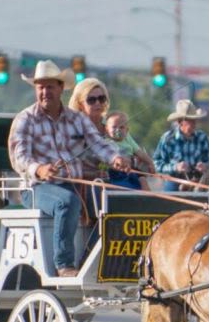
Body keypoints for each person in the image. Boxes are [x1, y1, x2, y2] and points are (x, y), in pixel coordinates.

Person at [9, 60, 129, 277]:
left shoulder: (77, 119)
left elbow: (98, 143)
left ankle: (92, 258)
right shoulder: (25, 120)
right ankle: (64, 264)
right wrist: (39, 169)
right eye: (40, 87)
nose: (45, 92)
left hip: (75, 185)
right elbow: (19, 157)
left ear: (61, 88)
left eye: (50, 87)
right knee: (66, 201)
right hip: (37, 189)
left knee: (116, 200)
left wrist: (115, 158)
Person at [152, 100, 209, 192]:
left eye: (195, 120)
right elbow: (156, 164)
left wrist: (205, 166)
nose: (194, 123)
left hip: (199, 181)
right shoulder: (167, 139)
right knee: (168, 195)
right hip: (175, 180)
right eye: (190, 120)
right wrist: (175, 167)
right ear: (180, 122)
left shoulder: (203, 138)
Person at [68, 78, 111, 180]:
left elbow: (130, 148)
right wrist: (93, 174)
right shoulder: (72, 128)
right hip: (84, 183)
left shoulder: (113, 124)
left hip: (114, 178)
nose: (98, 103)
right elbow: (68, 166)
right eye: (91, 100)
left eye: (101, 98)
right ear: (80, 104)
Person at [104, 111, 154, 190]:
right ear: (106, 129)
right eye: (114, 127)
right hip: (114, 171)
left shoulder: (127, 139)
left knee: (143, 180)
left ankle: (148, 199)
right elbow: (102, 161)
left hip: (130, 170)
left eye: (121, 127)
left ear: (127, 130)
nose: (118, 130)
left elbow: (140, 152)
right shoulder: (106, 142)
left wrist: (150, 163)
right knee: (121, 184)